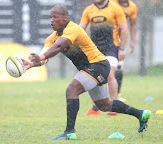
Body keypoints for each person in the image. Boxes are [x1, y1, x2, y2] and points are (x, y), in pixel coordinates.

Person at [22, 5, 151, 140]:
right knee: (104, 105)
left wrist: (41, 57)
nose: (51, 20)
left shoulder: (73, 29)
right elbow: (44, 56)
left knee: (71, 90)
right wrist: (31, 63)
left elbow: (59, 46)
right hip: (93, 68)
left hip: (97, 65)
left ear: (65, 18)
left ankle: (69, 132)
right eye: (50, 17)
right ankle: (141, 114)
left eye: (55, 17)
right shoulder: (51, 38)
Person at [79, 0, 128, 115]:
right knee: (93, 75)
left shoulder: (115, 8)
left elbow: (124, 29)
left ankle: (114, 106)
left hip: (111, 47)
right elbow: (80, 29)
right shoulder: (88, 10)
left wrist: (122, 48)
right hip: (95, 49)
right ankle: (95, 108)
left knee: (109, 74)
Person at [111, 0, 137, 101]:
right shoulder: (112, 3)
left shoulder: (132, 7)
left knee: (119, 67)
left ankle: (117, 94)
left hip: (120, 39)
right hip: (107, 38)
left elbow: (133, 24)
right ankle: (102, 95)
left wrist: (132, 41)